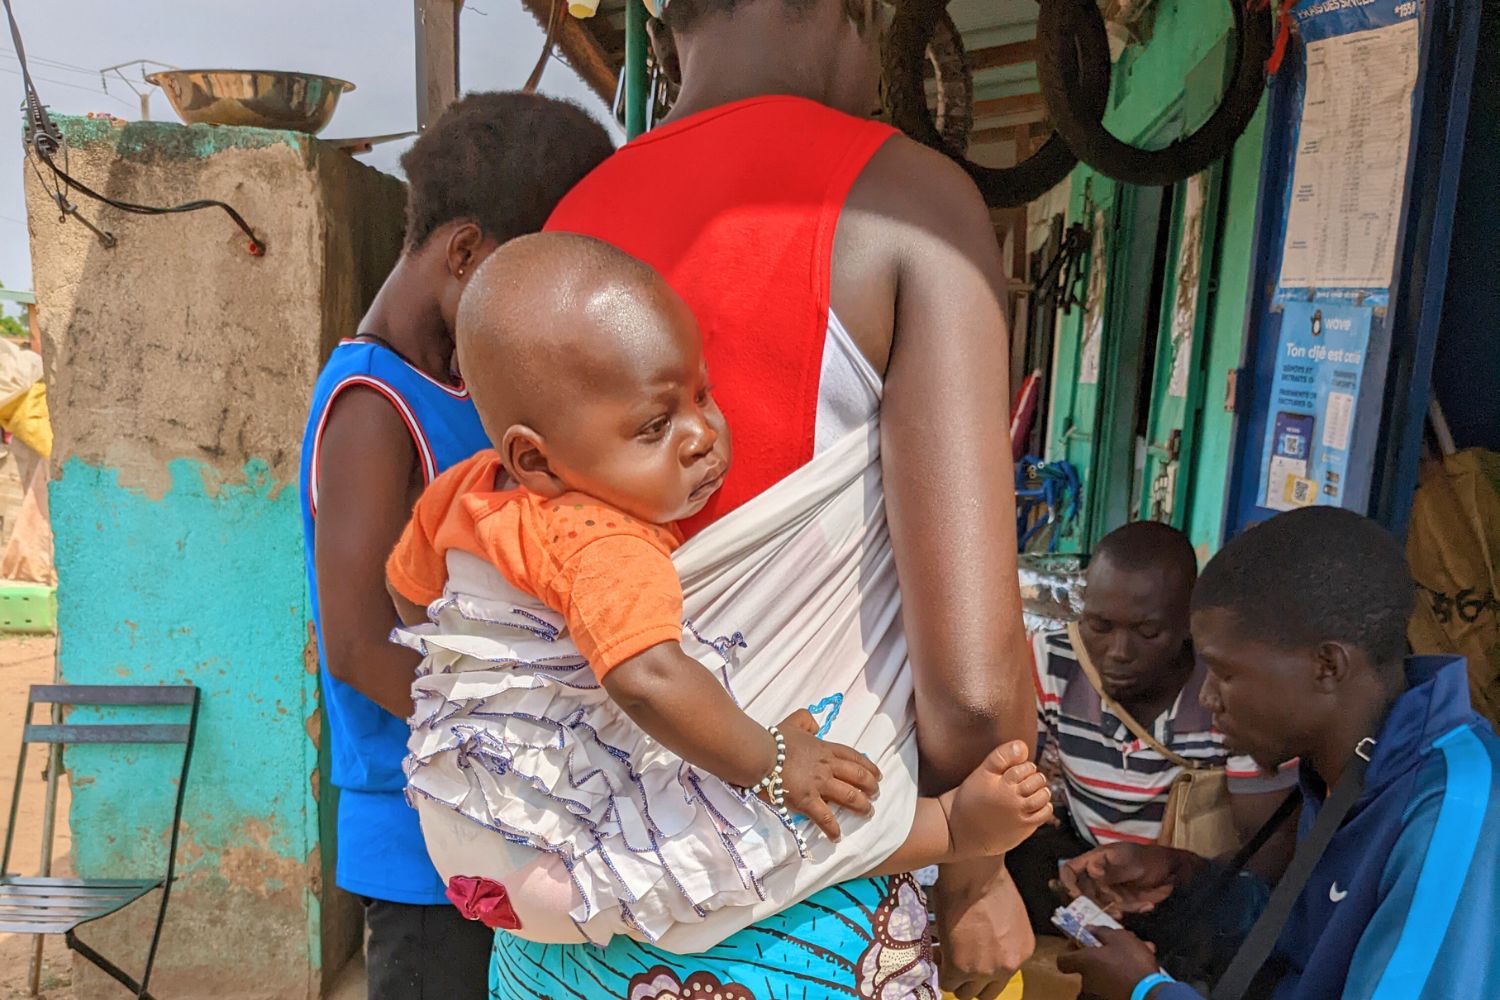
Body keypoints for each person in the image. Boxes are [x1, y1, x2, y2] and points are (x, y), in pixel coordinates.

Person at [504, 0, 1034, 995]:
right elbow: (967, 683)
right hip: (806, 924)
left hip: (565, 923)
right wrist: (978, 872)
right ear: (862, 12)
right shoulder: (908, 206)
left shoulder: (568, 228)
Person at [383, 233, 1054, 944]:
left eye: (702, 394)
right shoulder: (605, 544)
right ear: (536, 459)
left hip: (457, 807)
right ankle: (944, 829)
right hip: (552, 859)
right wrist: (770, 761)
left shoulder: (465, 490)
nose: (703, 435)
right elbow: (648, 681)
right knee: (762, 822)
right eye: (655, 425)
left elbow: (412, 602)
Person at [298, 94, 613, 999]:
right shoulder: (372, 404)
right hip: (423, 844)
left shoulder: (466, 392)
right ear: (467, 252)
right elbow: (359, 647)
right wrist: (524, 761)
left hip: (498, 828)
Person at [1055, 507, 1500, 1000]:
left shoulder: (1454, 803)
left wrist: (1147, 992)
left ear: (1327, 665)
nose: (1207, 698)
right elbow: (1312, 942)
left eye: (1224, 674)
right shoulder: (1347, 768)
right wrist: (1186, 879)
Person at [1007, 522, 1297, 932]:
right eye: (1100, 626)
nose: (1118, 652)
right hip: (1088, 870)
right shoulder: (1053, 660)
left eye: (1147, 632)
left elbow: (1267, 859)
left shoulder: (1229, 690)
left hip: (1188, 889)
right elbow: (1004, 781)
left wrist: (1173, 875)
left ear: (1188, 622)